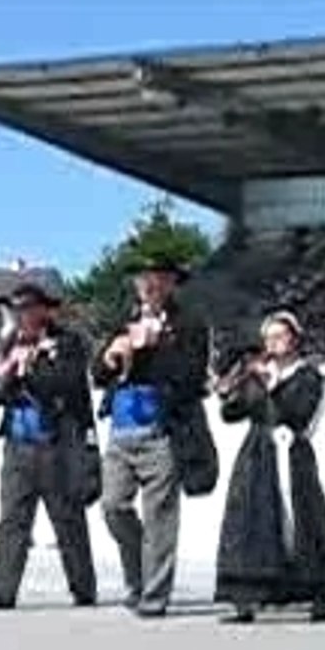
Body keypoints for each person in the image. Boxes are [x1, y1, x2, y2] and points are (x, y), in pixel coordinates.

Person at [0, 282, 98, 610]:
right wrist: (7, 370)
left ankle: (83, 586)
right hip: (18, 444)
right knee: (13, 519)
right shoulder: (7, 343)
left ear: (43, 310)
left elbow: (65, 383)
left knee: (67, 519)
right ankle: (2, 590)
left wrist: (31, 368)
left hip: (57, 445)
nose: (20, 315)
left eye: (27, 308)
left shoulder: (67, 343)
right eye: (16, 309)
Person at [92, 257, 209, 618]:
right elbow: (97, 374)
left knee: (160, 516)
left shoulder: (189, 325)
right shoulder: (123, 321)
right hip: (122, 429)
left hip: (162, 430)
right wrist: (110, 357)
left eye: (157, 279)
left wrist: (155, 348)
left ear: (171, 284)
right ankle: (139, 574)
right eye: (143, 280)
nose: (149, 286)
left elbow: (192, 378)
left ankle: (154, 595)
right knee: (113, 506)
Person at [213, 311, 325, 623]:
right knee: (250, 518)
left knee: (303, 518)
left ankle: (316, 591)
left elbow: (297, 414)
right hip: (257, 452)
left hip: (292, 452)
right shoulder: (258, 373)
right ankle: (246, 596)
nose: (272, 343)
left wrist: (268, 387)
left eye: (279, 336)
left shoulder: (307, 376)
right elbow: (231, 414)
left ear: (294, 339)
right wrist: (236, 388)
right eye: (268, 337)